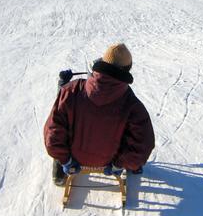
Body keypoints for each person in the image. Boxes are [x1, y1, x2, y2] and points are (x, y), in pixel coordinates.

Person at [44, 43, 155, 186]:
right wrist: (120, 164)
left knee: (61, 122)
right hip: (109, 161)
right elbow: (143, 144)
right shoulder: (133, 105)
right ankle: (132, 167)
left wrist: (65, 160)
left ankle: (59, 171)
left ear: (103, 62)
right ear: (127, 70)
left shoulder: (70, 90)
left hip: (75, 157)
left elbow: (52, 133)